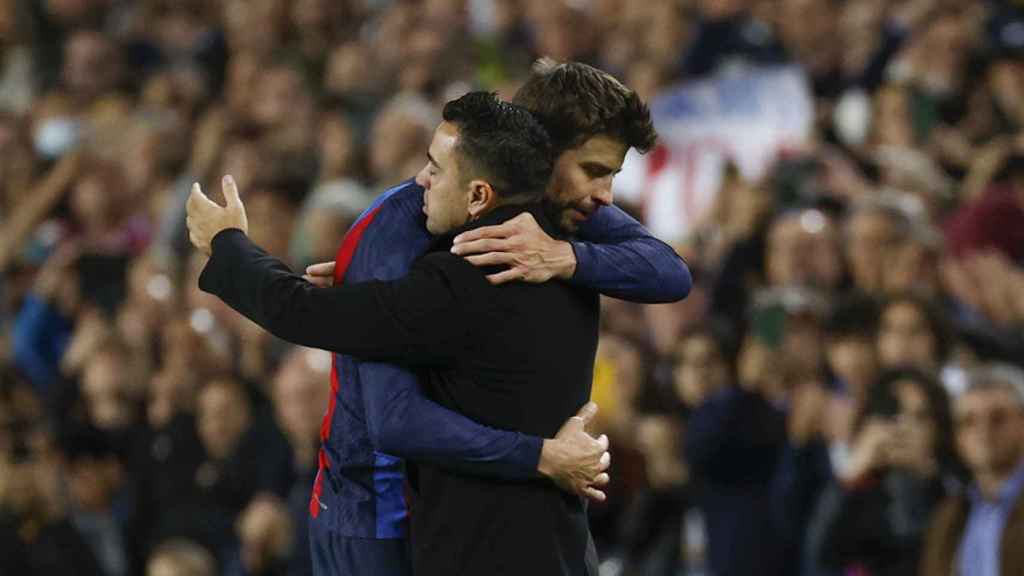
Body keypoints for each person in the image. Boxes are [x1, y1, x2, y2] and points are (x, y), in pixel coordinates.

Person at [214, 60, 686, 575]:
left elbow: (670, 272)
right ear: (541, 151)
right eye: (595, 171)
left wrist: (227, 244)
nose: (606, 196)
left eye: (612, 175)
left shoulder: (551, 243)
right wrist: (541, 455)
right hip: (418, 526)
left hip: (454, 537)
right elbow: (394, 415)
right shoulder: (419, 236)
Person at [920, 364, 1024, 576]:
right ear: (957, 438)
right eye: (969, 421)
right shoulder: (947, 516)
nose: (983, 431)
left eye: (998, 418)